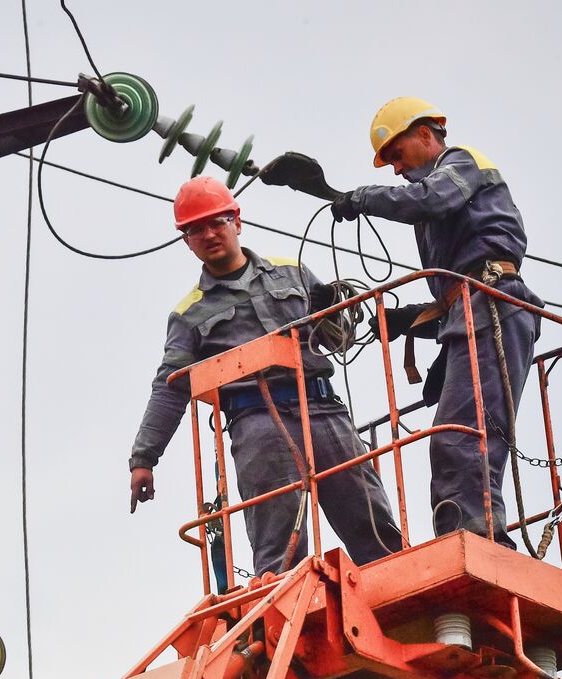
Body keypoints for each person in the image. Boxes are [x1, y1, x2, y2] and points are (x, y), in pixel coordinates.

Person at [129, 176, 402, 577]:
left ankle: (398, 594)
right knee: (279, 549)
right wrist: (144, 458)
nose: (208, 234)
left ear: (236, 221)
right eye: (195, 229)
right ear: (186, 241)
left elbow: (338, 339)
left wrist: (334, 309)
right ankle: (284, 613)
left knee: (372, 523)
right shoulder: (190, 314)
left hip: (322, 409)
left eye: (216, 222)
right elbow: (170, 389)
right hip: (257, 424)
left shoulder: (294, 273)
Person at [330, 97, 542, 547]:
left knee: (463, 437)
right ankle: (467, 535)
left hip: (495, 306)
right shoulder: (441, 194)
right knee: (454, 437)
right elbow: (454, 287)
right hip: (473, 309)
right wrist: (409, 320)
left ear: (426, 134)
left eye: (397, 156)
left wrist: (363, 198)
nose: (395, 170)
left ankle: (478, 538)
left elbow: (428, 200)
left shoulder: (460, 163)